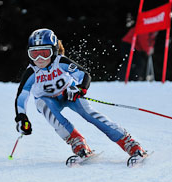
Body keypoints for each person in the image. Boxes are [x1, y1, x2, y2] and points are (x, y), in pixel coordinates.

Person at [14, 28, 147, 159]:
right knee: (44, 105)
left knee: (89, 113)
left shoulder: (60, 61)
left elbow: (84, 75)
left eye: (45, 53)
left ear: (54, 51)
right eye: (34, 54)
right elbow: (22, 95)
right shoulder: (31, 72)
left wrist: (80, 88)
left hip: (68, 94)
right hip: (48, 100)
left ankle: (128, 142)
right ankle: (77, 142)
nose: (40, 59)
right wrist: (22, 117)